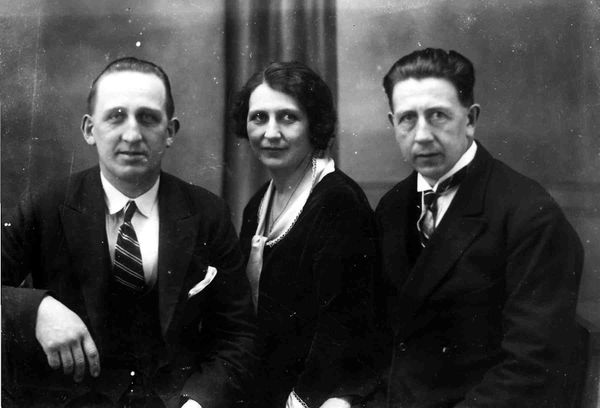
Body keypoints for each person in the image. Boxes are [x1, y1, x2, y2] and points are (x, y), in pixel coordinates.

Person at [1, 57, 256, 408]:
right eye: (116, 116)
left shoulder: (207, 213)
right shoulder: (46, 206)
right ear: (89, 129)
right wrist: (36, 309)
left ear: (170, 132)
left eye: (148, 118)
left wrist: (199, 403)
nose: (132, 135)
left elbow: (237, 335)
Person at [375, 47, 584, 407]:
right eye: (408, 119)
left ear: (470, 119)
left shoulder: (530, 215)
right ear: (393, 123)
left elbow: (532, 368)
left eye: (438, 115)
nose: (421, 135)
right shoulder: (392, 207)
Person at [231, 61, 380, 408]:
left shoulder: (338, 201)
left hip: (319, 392)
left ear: (315, 125)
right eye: (259, 118)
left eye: (288, 118)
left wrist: (301, 399)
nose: (271, 132)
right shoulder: (257, 205)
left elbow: (343, 327)